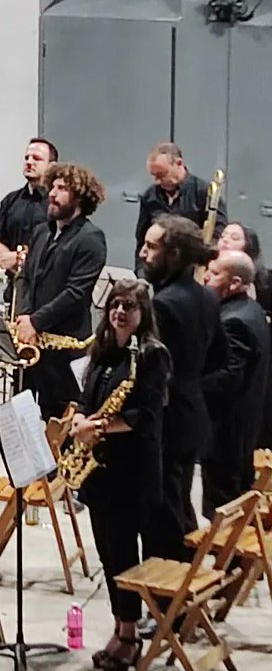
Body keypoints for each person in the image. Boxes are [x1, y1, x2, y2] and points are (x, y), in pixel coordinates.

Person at [72, 278, 170, 671]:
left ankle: (129, 636)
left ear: (143, 314)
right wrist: (80, 416)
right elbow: (85, 394)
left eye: (129, 306)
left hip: (132, 470)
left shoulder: (151, 355)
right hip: (99, 468)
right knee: (107, 553)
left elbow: (145, 416)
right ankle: (119, 626)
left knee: (124, 553)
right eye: (115, 304)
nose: (120, 312)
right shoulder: (104, 347)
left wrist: (97, 429)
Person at [139, 215, 227, 555]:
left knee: (162, 510)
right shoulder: (207, 297)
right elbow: (221, 357)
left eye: (151, 247)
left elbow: (152, 371)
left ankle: (168, 594)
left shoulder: (162, 303)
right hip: (193, 414)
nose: (143, 253)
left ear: (173, 254)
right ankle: (181, 582)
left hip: (166, 420)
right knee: (179, 501)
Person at [14, 162, 108, 418]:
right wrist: (25, 318)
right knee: (23, 417)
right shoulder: (41, 232)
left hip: (65, 349)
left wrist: (36, 321)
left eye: (62, 188)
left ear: (80, 197)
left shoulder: (90, 238)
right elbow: (26, 278)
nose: (52, 194)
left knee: (58, 421)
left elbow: (76, 292)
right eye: (53, 187)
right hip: (32, 343)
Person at [201, 250, 269, 515]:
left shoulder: (234, 321)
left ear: (236, 284)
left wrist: (188, 388)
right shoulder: (251, 310)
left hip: (225, 436)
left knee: (222, 511)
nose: (207, 277)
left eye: (216, 274)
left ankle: (228, 558)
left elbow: (228, 377)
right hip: (242, 431)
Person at [135, 142, 226, 270]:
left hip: (193, 270)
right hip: (159, 272)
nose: (156, 181)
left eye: (162, 175)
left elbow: (218, 233)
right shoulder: (149, 197)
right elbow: (141, 240)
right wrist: (141, 274)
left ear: (179, 164)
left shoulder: (203, 192)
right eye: (154, 176)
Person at [0, 138, 56, 298]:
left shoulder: (56, 203)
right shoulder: (11, 200)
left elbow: (58, 245)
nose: (29, 162)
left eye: (37, 159)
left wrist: (22, 260)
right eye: (27, 158)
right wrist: (12, 262)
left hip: (45, 288)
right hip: (15, 287)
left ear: (52, 166)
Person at [217, 223, 272, 314]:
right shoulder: (208, 272)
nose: (225, 240)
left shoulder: (267, 282)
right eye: (222, 236)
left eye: (234, 238)